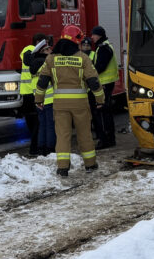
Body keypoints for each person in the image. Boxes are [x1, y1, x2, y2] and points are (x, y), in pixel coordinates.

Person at [33, 25, 104, 176]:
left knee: (62, 135)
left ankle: (63, 167)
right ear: (76, 40)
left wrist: (38, 100)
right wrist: (100, 100)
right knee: (84, 134)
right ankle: (90, 164)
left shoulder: (51, 58)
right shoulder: (83, 58)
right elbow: (93, 82)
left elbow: (42, 81)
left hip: (60, 105)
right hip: (80, 104)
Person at [88, 26, 118, 149]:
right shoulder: (104, 46)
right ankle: (109, 139)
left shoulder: (103, 48)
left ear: (99, 35)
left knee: (102, 113)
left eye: (93, 34)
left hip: (104, 84)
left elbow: (100, 67)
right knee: (105, 112)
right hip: (106, 83)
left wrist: (89, 73)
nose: (92, 37)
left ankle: (105, 140)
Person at [19, 33, 46, 156]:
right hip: (32, 92)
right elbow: (28, 60)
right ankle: (35, 148)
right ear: (38, 42)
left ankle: (35, 147)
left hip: (27, 92)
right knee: (37, 122)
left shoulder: (28, 50)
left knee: (33, 122)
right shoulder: (29, 50)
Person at [30, 35, 55, 156]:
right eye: (48, 49)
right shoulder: (47, 63)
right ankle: (50, 149)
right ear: (43, 51)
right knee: (50, 125)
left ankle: (41, 148)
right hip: (49, 98)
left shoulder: (33, 64)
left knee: (42, 125)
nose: (50, 50)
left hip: (38, 99)